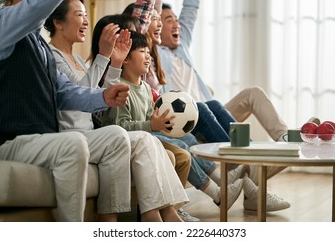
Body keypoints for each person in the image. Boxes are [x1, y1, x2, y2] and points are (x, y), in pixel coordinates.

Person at [0, 0, 186, 222]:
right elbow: (35, 6)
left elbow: (62, 90)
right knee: (73, 143)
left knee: (117, 137)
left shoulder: (37, 43)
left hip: (37, 141)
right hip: (3, 143)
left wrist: (102, 97)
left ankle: (108, 225)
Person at [153, 0, 290, 212]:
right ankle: (253, 185)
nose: (176, 24)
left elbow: (191, 7)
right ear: (157, 27)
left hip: (210, 117)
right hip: (187, 126)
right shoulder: (155, 53)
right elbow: (153, 8)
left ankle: (283, 137)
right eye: (168, 20)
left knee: (252, 94)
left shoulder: (182, 44)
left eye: (176, 20)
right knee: (210, 105)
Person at [44, 0, 189, 222]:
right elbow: (80, 96)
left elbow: (101, 100)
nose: (86, 21)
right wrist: (103, 56)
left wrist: (116, 63)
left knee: (148, 139)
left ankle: (163, 214)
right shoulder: (51, 56)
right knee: (141, 138)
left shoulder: (78, 59)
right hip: (71, 135)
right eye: (79, 15)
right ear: (58, 22)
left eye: (85, 15)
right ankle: (153, 218)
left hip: (91, 134)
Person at [101, 30, 247, 212]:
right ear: (126, 59)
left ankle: (222, 180)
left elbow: (149, 118)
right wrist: (152, 125)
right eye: (142, 52)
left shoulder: (145, 88)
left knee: (187, 139)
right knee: (181, 148)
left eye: (148, 52)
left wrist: (159, 123)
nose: (148, 57)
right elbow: (120, 127)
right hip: (133, 141)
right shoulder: (121, 89)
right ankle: (217, 194)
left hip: (149, 134)